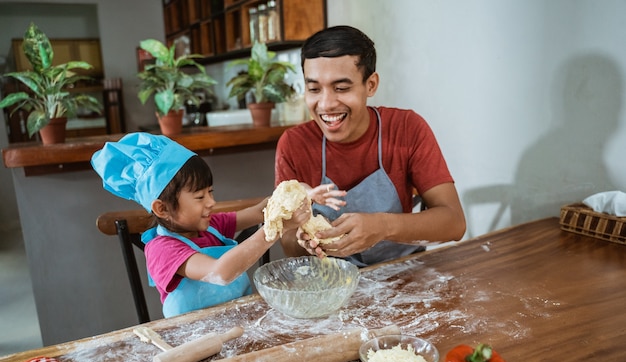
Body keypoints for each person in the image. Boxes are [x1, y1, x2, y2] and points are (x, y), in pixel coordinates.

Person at [275, 25, 466, 267]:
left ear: (371, 85)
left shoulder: (407, 128)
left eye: (341, 88)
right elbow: (289, 244)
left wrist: (383, 226)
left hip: (403, 272)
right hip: (329, 280)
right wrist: (304, 241)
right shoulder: (294, 144)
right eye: (314, 89)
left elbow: (454, 223)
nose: (326, 104)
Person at [91, 132, 311, 318]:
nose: (211, 203)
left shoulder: (210, 226)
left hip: (239, 323)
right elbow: (221, 273)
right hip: (192, 340)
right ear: (162, 209)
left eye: (210, 192)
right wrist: (275, 228)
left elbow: (258, 211)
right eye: (199, 197)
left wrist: (295, 193)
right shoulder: (162, 250)